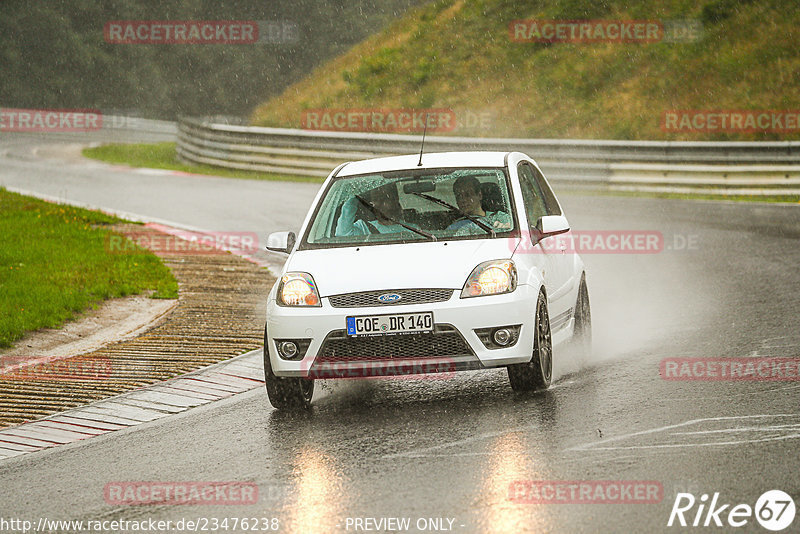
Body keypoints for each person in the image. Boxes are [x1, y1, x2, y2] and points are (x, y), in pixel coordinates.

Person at [335, 184, 411, 236]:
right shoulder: (363, 227)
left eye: (384, 199)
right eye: (376, 199)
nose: (379, 204)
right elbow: (342, 234)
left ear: (394, 200)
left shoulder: (412, 230)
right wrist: (355, 196)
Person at [447, 176, 512, 234]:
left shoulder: (500, 217)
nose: (463, 200)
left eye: (468, 195)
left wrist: (504, 228)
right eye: (459, 196)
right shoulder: (455, 226)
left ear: (479, 195)